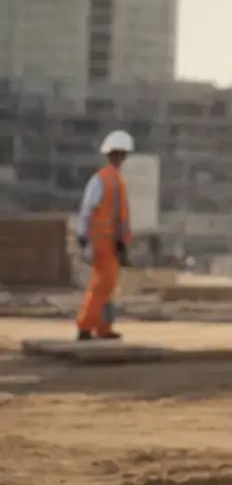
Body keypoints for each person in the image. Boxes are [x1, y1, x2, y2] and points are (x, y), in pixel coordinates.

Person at [75, 129, 136, 342]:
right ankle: (85, 327)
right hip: (102, 241)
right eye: (119, 153)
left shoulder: (115, 180)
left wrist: (122, 242)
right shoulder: (101, 180)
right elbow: (87, 209)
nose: (121, 157)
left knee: (108, 286)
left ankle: (103, 327)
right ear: (114, 155)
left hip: (111, 242)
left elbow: (119, 216)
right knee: (102, 284)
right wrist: (83, 235)